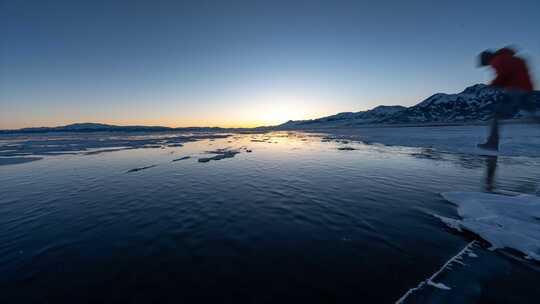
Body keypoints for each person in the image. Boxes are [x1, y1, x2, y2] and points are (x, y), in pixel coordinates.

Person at [477, 47, 535, 151]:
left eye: (485, 63)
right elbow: (519, 73)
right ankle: (492, 143)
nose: (488, 66)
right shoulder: (514, 59)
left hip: (515, 90)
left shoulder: (497, 60)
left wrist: (494, 84)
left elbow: (504, 74)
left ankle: (492, 143)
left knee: (496, 116)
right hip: (527, 90)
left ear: (487, 59)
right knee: (532, 115)